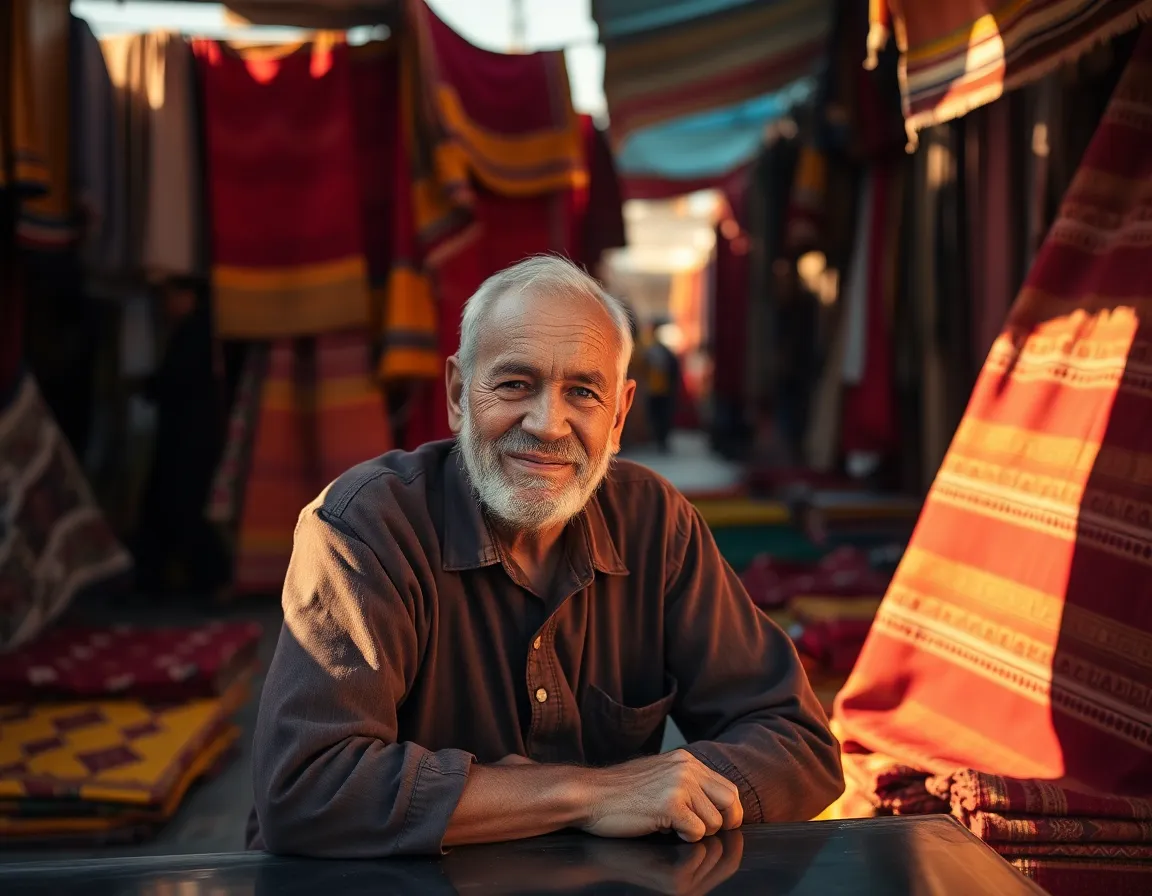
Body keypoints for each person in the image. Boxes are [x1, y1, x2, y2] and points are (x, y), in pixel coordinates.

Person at [248, 255, 843, 858]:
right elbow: (308, 790)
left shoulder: (654, 523)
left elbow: (796, 743)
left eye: (582, 392)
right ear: (458, 394)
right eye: (514, 384)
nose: (547, 425)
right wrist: (594, 795)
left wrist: (667, 793)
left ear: (619, 416)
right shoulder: (366, 527)